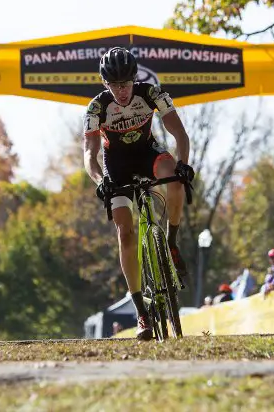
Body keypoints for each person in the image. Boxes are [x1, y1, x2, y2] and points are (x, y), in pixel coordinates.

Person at [83, 47, 194, 341]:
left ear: (135, 79)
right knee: (125, 232)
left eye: (126, 83)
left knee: (174, 175)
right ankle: (141, 313)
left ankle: (170, 241)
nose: (121, 91)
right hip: (115, 165)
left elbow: (179, 134)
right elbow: (89, 153)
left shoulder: (152, 93)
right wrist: (99, 180)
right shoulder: (97, 107)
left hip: (148, 153)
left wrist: (184, 165)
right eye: (115, 85)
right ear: (106, 84)